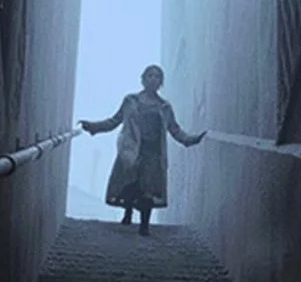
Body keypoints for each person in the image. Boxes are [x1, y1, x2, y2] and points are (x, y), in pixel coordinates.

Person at [78, 65, 207, 236]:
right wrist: (93, 126)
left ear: (161, 82)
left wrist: (190, 140)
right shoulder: (130, 101)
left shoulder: (164, 107)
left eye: (157, 76)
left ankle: (144, 225)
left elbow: (175, 130)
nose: (153, 79)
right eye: (150, 76)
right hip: (132, 150)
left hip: (153, 154)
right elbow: (114, 121)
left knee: (148, 189)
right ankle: (128, 211)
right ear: (143, 79)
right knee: (130, 183)